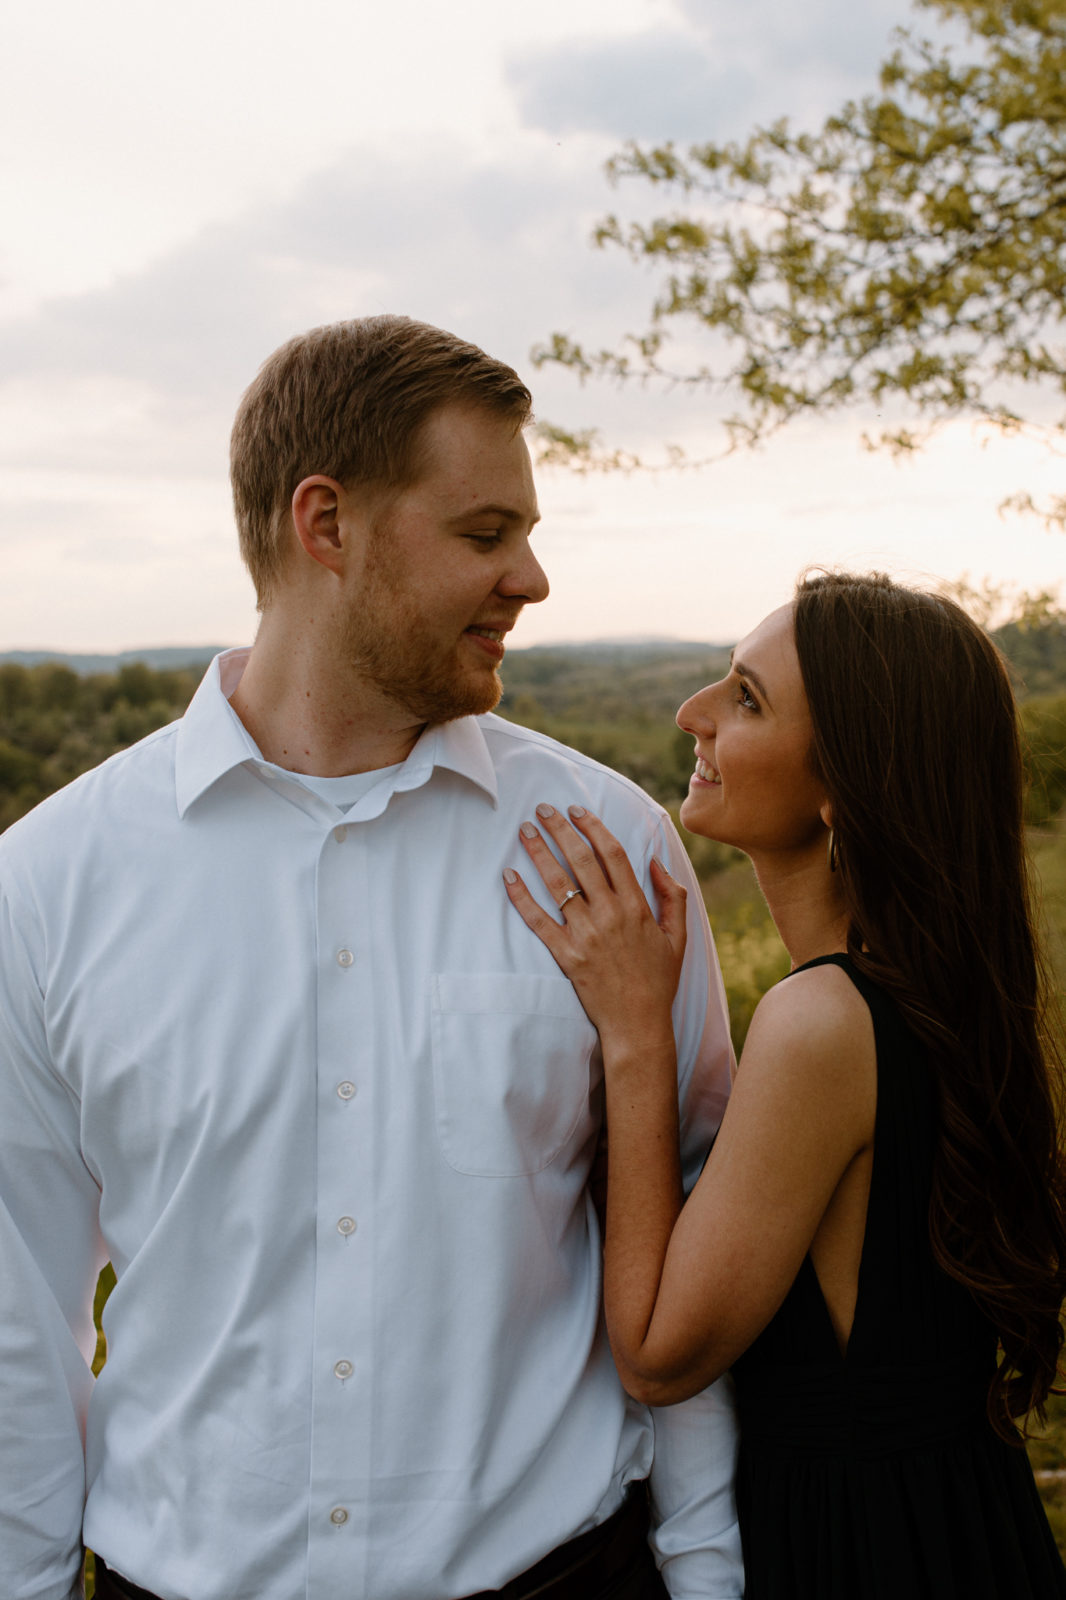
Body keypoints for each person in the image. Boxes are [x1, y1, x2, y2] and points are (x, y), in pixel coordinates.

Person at [0, 316, 743, 1600]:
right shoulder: (49, 886)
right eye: (484, 533)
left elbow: (684, 1243)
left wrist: (708, 1570)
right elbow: (18, 1312)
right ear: (324, 525)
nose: (532, 579)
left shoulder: (612, 850)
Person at [506, 571, 1066, 1598]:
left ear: (839, 787)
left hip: (869, 1550)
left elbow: (657, 1353)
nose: (692, 713)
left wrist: (636, 1037)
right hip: (956, 1522)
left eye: (745, 698)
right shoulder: (935, 987)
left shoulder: (821, 1022)